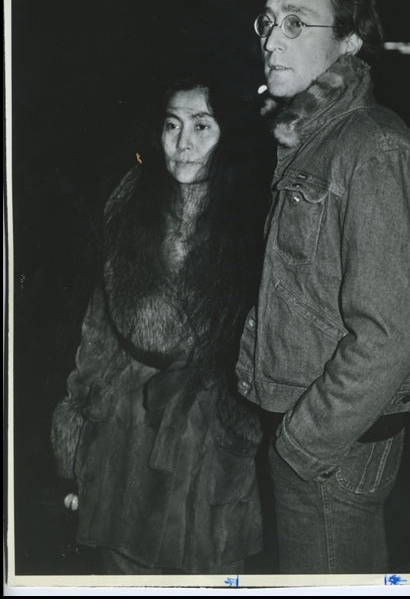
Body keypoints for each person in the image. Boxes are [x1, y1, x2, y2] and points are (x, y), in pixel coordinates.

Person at [235, 0, 410, 574]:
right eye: (268, 21)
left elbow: (388, 332)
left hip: (332, 447)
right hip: (313, 430)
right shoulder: (307, 140)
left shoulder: (373, 149)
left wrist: (300, 444)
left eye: (296, 23)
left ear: (349, 40)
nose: (271, 38)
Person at [50, 67, 273, 574]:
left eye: (202, 126)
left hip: (206, 431)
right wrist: (77, 421)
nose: (183, 144)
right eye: (173, 125)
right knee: (122, 565)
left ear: (229, 134)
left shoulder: (252, 216)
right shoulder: (131, 202)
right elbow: (99, 323)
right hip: (123, 426)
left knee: (209, 567)